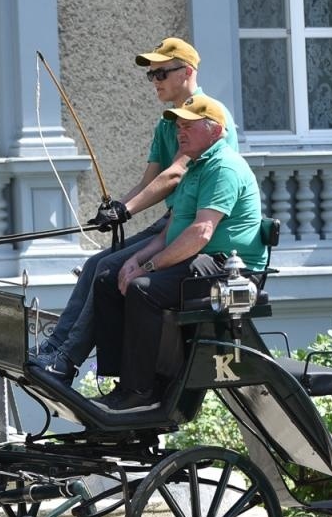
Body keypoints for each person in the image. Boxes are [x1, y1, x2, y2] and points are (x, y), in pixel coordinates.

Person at [28, 36, 238, 383]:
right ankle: (55, 347)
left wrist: (125, 211)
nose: (154, 82)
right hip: (174, 219)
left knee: (109, 269)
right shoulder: (166, 123)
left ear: (186, 72)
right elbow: (149, 180)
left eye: (160, 74)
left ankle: (67, 360)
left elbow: (175, 174)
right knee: (97, 262)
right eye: (151, 76)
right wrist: (115, 208)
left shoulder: (206, 117)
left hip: (190, 226)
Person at [90, 93, 267, 411]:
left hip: (229, 272)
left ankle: (140, 392)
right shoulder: (196, 169)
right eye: (178, 127)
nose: (179, 133)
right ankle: (122, 384)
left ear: (214, 131)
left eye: (188, 126)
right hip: (201, 261)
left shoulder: (223, 167)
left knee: (144, 290)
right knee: (107, 278)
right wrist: (135, 260)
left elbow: (201, 233)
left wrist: (150, 269)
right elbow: (171, 231)